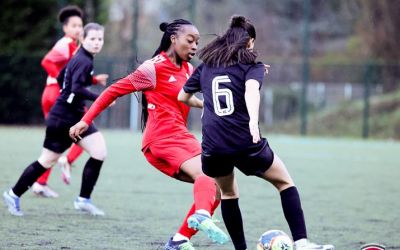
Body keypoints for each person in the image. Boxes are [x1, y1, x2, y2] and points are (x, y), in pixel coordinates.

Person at [178, 16, 335, 250]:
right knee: (284, 183)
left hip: (213, 145)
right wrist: (253, 122)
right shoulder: (253, 66)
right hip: (244, 141)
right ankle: (301, 243)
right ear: (249, 42)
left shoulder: (206, 66)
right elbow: (251, 91)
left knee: (229, 194)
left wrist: (204, 104)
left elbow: (182, 97)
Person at [69, 19, 228, 250]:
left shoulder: (188, 69)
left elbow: (183, 97)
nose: (195, 46)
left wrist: (206, 104)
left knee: (216, 188)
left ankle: (178, 240)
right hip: (161, 139)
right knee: (207, 175)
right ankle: (202, 215)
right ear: (174, 39)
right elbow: (113, 91)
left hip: (180, 137)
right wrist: (85, 120)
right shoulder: (152, 68)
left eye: (197, 42)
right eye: (190, 40)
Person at [4, 23, 108, 217]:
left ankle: (82, 200)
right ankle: (14, 194)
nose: (96, 43)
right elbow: (76, 88)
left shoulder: (80, 57)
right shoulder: (84, 60)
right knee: (49, 160)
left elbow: (61, 78)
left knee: (96, 151)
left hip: (69, 114)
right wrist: (101, 98)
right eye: (92, 38)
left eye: (100, 39)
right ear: (83, 39)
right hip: (65, 118)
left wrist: (68, 95)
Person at [36, 5, 109, 197]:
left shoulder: (76, 47)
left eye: (80, 25)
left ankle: (41, 182)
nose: (78, 29)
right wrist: (63, 86)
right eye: (74, 25)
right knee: (84, 132)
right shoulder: (65, 43)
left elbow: (73, 73)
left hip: (60, 94)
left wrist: (93, 80)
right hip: (57, 95)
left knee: (58, 143)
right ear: (65, 28)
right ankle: (65, 163)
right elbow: (47, 62)